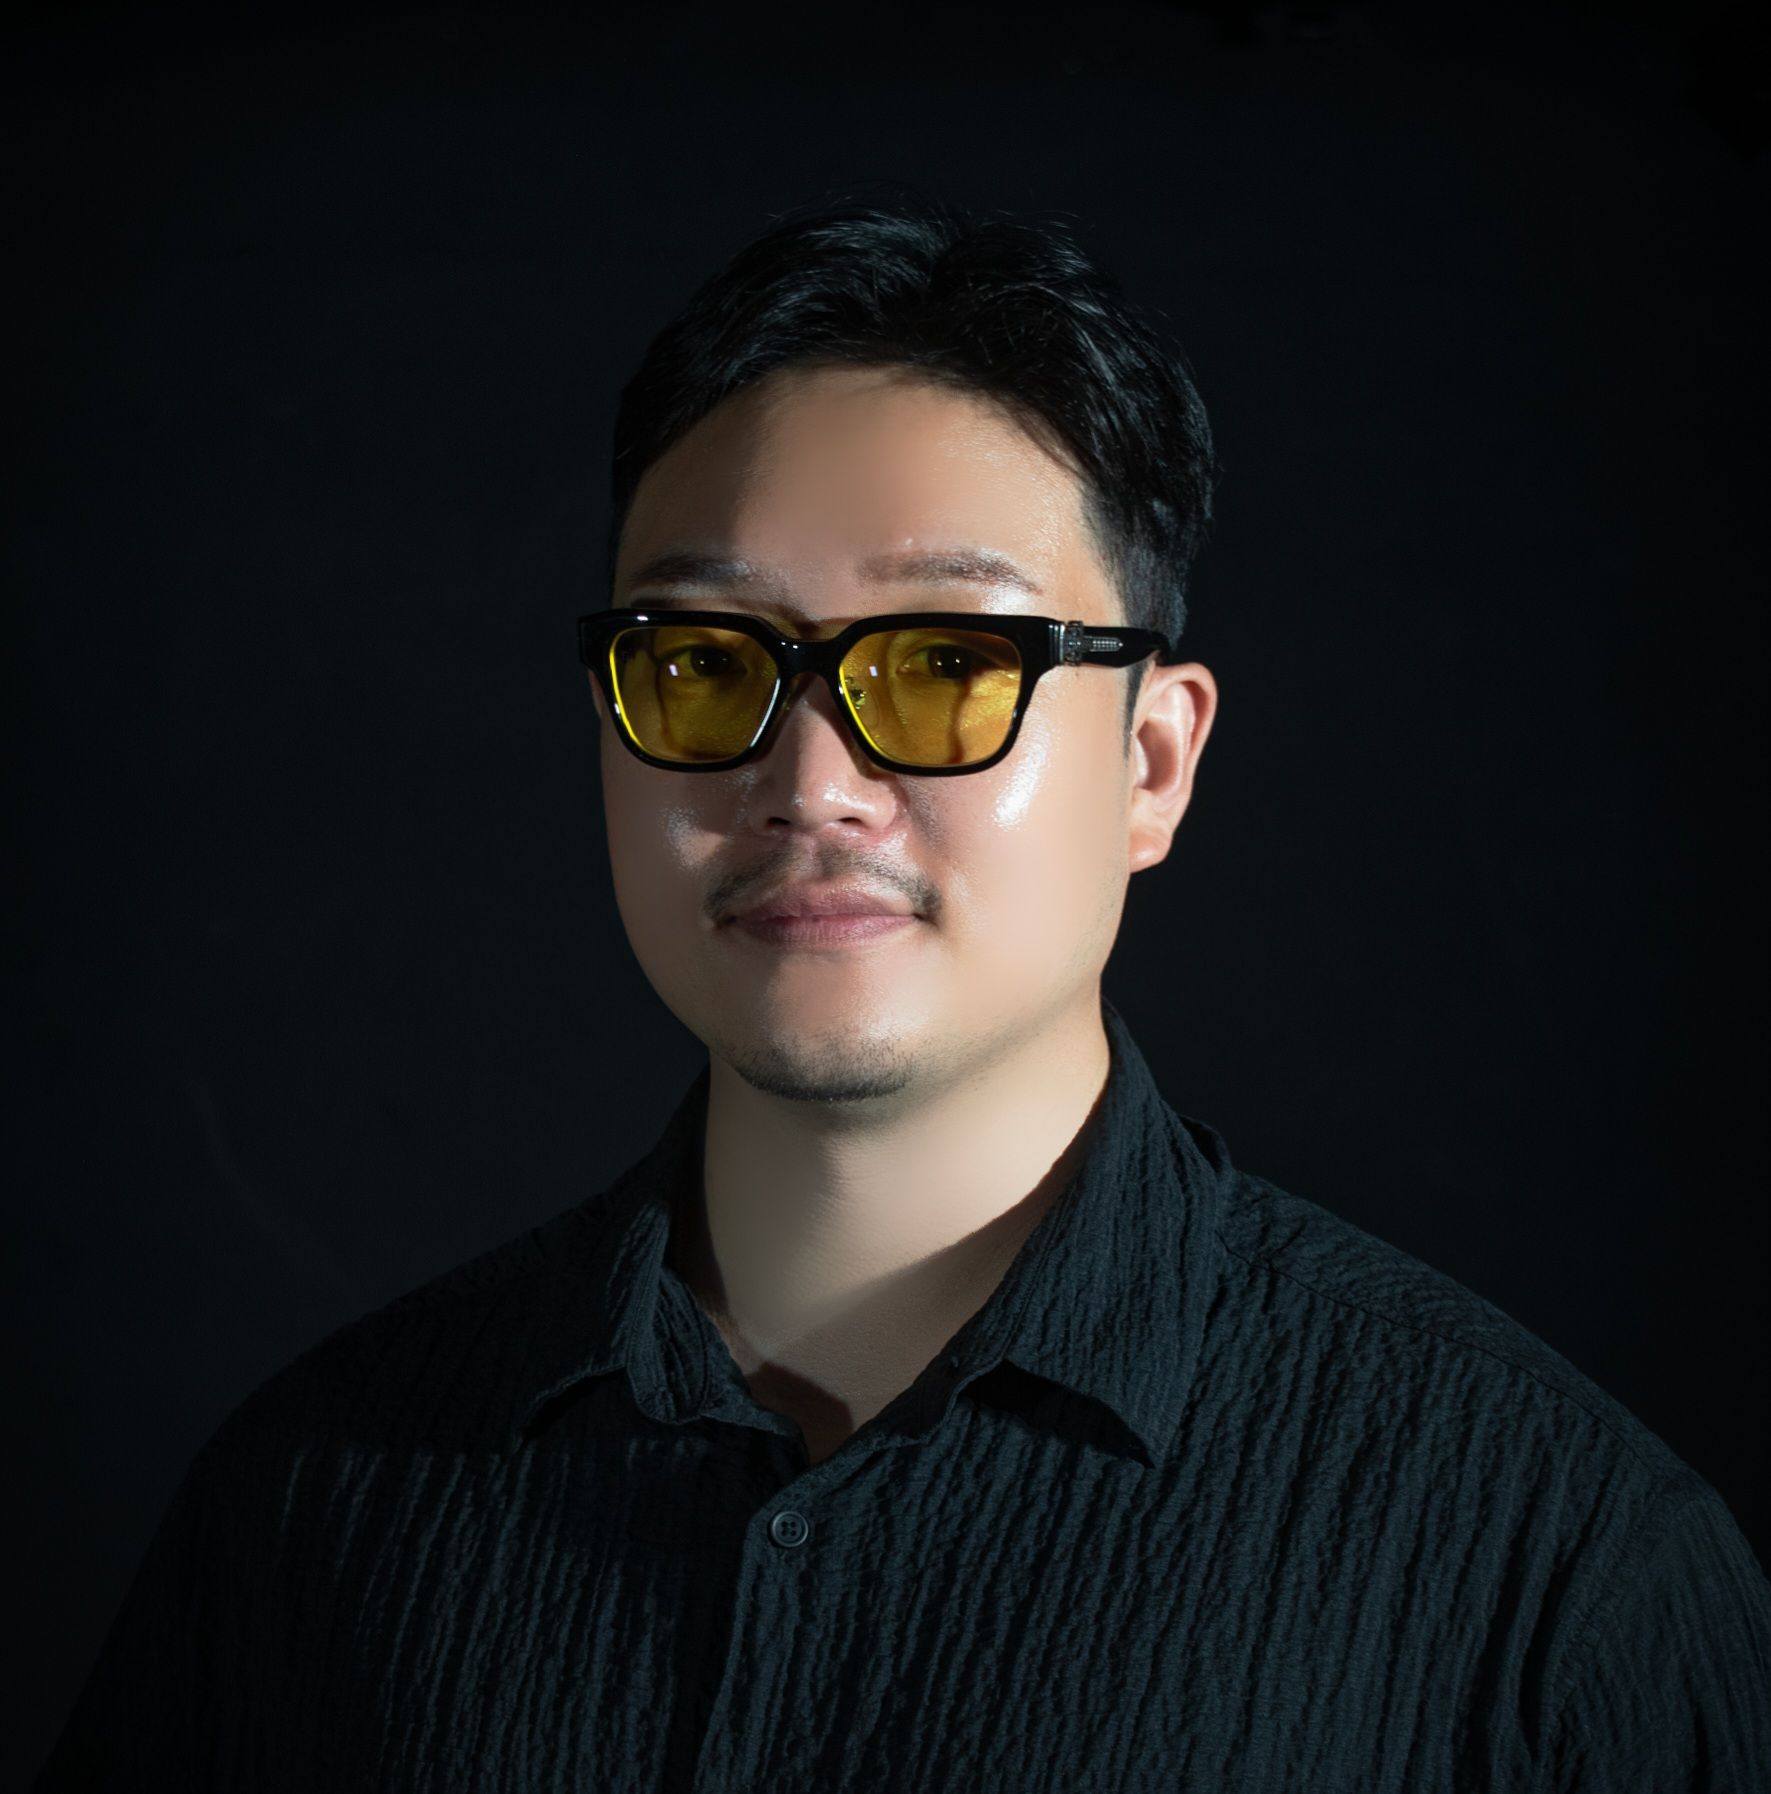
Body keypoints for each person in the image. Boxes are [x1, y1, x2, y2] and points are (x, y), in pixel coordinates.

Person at [35, 190, 1770, 1792]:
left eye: (947, 662)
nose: (811, 780)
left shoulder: (1554, 1572)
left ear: (1154, 761)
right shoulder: (315, 1510)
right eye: (705, 663)